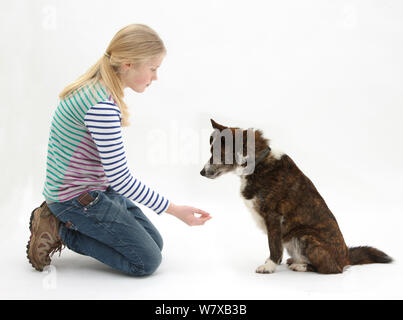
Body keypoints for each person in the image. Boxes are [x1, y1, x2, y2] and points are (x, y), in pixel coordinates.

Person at [26, 24, 212, 276]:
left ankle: (73, 223)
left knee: (155, 243)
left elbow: (113, 177)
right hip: (73, 200)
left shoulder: (98, 87)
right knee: (146, 262)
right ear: (127, 64)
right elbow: (121, 180)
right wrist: (175, 210)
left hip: (96, 189)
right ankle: (61, 229)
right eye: (153, 69)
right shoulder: (101, 106)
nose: (155, 78)